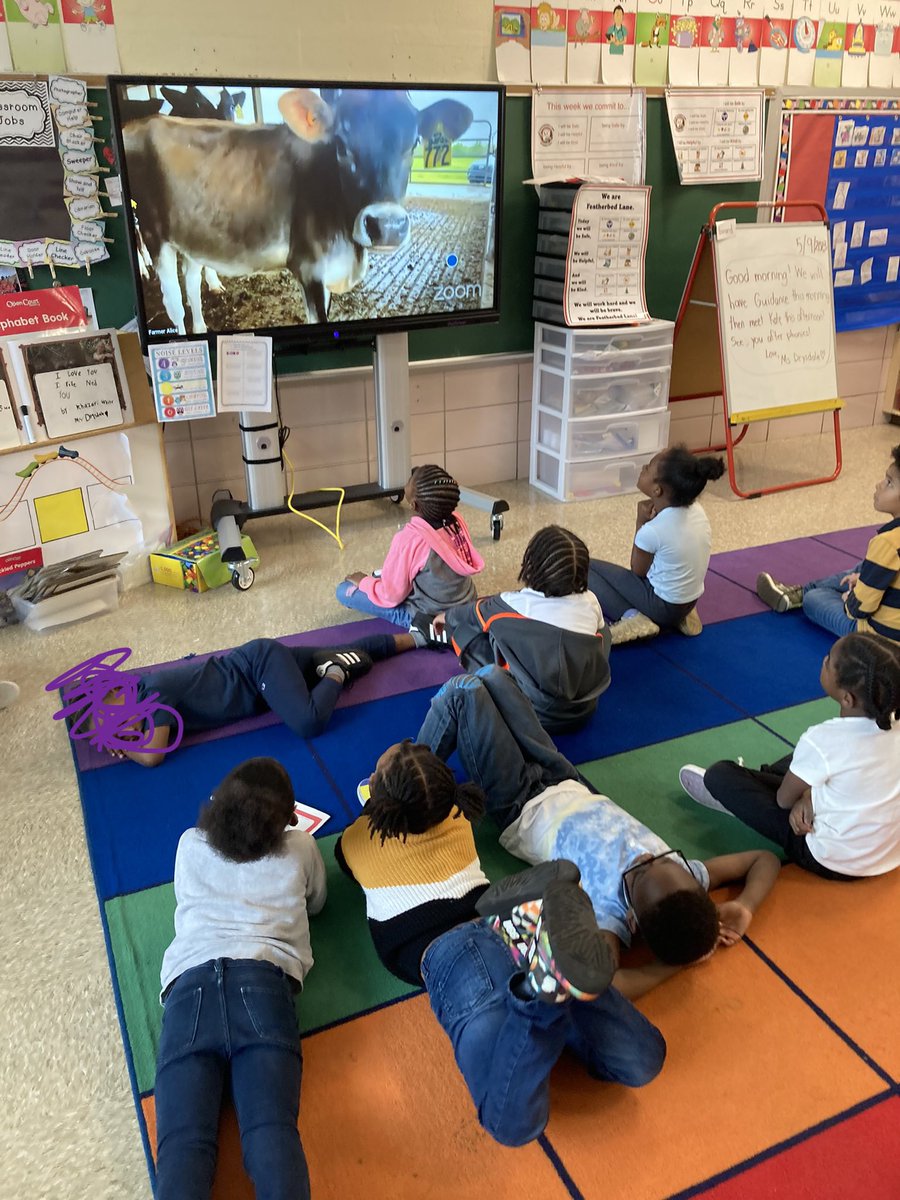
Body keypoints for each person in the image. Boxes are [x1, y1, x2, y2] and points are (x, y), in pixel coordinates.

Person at [336, 740, 665, 1147]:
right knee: (641, 1063)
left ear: (379, 808)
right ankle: (554, 963)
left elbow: (347, 860)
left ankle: (538, 996)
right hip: (504, 919)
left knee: (511, 1124)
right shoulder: (458, 814)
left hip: (450, 953)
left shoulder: (358, 838)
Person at [416, 667, 780, 995]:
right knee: (494, 676)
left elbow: (611, 983)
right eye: (663, 859)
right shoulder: (687, 879)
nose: (646, 856)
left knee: (465, 693)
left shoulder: (611, 914)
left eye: (639, 872)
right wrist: (746, 906)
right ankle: (411, 776)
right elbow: (763, 860)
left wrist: (669, 966)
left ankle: (405, 788)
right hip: (566, 779)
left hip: (518, 803)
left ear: (635, 915)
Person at [154, 757, 326, 1200]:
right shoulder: (301, 847)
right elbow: (318, 904)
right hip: (263, 985)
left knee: (183, 1148)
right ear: (287, 819)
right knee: (271, 1131)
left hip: (189, 990)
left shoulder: (190, 842)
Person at [679, 633, 900, 880]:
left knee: (719, 776)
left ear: (847, 698)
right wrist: (807, 795)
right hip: (889, 854)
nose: (824, 660)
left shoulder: (824, 740)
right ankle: (774, 779)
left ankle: (746, 797)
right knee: (805, 760)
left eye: (828, 662)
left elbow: (784, 801)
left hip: (831, 859)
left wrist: (803, 797)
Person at [86, 632, 411, 767]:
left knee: (308, 722)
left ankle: (335, 673)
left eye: (111, 720)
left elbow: (152, 756)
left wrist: (126, 747)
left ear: (118, 691)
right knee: (356, 653)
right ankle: (419, 636)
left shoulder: (152, 691)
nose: (119, 730)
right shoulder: (145, 709)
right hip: (265, 678)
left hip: (260, 667)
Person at [432, 525, 611, 733]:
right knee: (602, 631)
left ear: (531, 566)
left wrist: (443, 617)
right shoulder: (590, 602)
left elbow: (468, 614)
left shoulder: (509, 604)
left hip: (530, 715)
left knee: (465, 631)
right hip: (583, 709)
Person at [756, 444, 900, 642]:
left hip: (878, 639)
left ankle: (801, 594)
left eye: (889, 483)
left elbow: (859, 609)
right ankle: (798, 593)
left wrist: (849, 598)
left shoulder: (887, 542)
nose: (879, 485)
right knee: (866, 566)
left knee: (814, 599)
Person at [587, 446, 725, 645]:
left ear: (657, 490)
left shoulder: (653, 530)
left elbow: (638, 571)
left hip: (663, 606)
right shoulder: (697, 510)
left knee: (583, 567)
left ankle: (633, 617)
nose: (643, 467)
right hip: (689, 601)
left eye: (648, 468)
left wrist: (640, 521)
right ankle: (681, 618)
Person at [335, 464, 484, 633]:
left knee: (343, 591)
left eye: (409, 480)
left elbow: (391, 596)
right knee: (393, 574)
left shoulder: (410, 538)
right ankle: (389, 577)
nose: (412, 473)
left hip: (429, 616)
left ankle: (380, 584)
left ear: (414, 505)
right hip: (466, 606)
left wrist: (363, 581)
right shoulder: (456, 522)